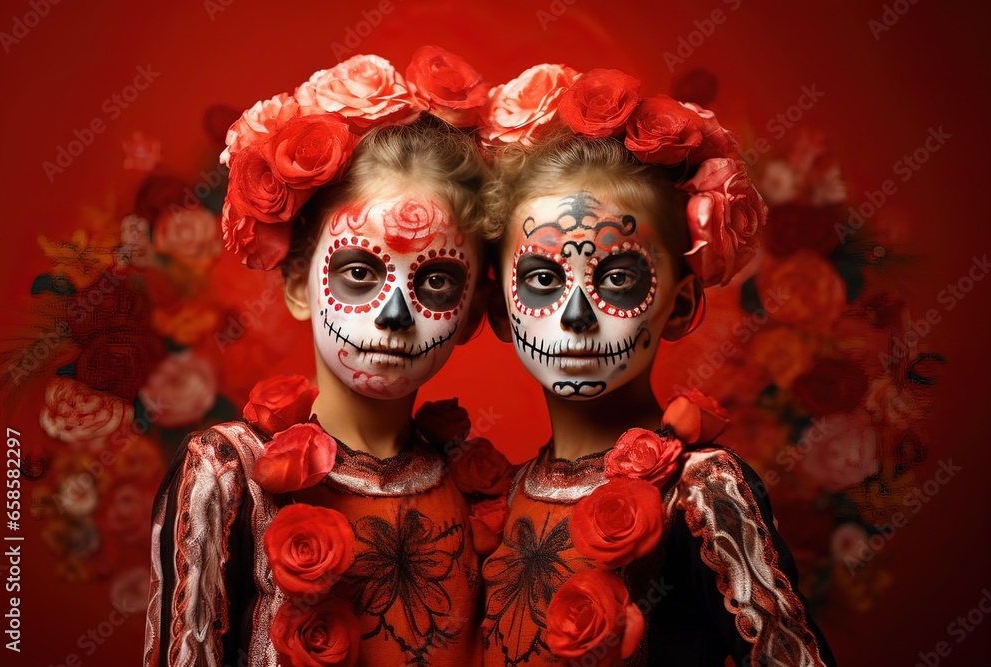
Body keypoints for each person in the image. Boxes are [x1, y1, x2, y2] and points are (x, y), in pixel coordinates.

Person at [476, 66, 837, 667]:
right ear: (498, 312)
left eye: (618, 278)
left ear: (682, 305)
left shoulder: (701, 491)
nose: (575, 316)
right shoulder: (507, 494)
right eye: (542, 279)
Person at [145, 50, 493, 667]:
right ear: (300, 285)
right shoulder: (227, 473)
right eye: (359, 272)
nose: (394, 314)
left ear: (469, 313)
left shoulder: (474, 485)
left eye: (436, 282)